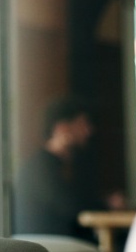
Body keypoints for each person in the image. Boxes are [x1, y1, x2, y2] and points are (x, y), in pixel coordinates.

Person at [12, 97, 117, 239]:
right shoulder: (40, 167)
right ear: (62, 127)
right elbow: (72, 207)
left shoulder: (59, 165)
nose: (89, 131)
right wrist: (108, 205)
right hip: (50, 249)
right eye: (82, 123)